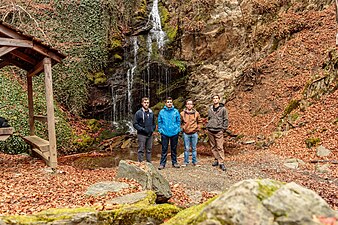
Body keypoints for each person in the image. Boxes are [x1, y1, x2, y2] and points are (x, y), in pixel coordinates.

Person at [206, 95, 228, 171]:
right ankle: (216, 159)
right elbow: (209, 118)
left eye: (216, 98)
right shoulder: (210, 109)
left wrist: (224, 128)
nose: (215, 100)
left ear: (219, 99)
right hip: (210, 130)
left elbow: (225, 119)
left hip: (219, 130)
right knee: (213, 146)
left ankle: (221, 162)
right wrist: (208, 126)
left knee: (220, 147)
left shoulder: (223, 109)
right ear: (212, 100)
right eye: (214, 98)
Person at [158, 97, 181, 170]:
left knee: (174, 148)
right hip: (164, 132)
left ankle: (174, 162)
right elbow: (159, 121)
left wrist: (177, 129)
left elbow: (178, 121)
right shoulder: (162, 112)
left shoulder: (176, 111)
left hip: (174, 132)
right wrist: (160, 130)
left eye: (170, 102)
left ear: (172, 103)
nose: (169, 103)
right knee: (164, 148)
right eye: (168, 102)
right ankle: (162, 163)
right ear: (165, 103)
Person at [133, 97, 156, 163]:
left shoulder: (151, 112)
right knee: (141, 149)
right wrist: (142, 129)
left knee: (149, 149)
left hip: (150, 134)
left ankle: (149, 163)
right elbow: (135, 124)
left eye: (147, 103)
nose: (146, 104)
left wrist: (152, 129)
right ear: (142, 103)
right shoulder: (138, 113)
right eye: (145, 103)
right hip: (141, 134)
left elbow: (154, 123)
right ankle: (141, 164)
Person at [180, 99, 202, 167]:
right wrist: (182, 128)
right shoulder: (182, 113)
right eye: (188, 104)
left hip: (194, 133)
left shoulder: (196, 113)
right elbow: (179, 122)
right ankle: (186, 162)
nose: (189, 105)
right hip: (186, 133)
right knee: (186, 148)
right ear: (186, 105)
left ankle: (194, 162)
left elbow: (200, 122)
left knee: (194, 148)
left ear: (192, 105)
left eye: (191, 104)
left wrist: (198, 128)